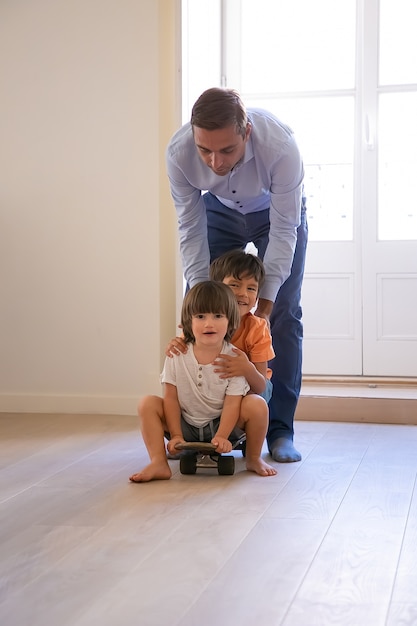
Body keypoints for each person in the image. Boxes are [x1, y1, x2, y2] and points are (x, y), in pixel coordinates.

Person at [166, 87, 308, 462]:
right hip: (218, 212)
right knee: (202, 315)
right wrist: (199, 299)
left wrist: (265, 302)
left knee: (282, 313)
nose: (214, 161)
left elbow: (284, 228)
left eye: (227, 150)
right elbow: (189, 227)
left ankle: (279, 431)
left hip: (274, 216)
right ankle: (202, 430)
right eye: (205, 150)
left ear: (246, 133)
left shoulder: (280, 147)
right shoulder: (178, 154)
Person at [129, 281, 277, 482]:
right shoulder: (177, 354)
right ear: (188, 322)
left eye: (218, 316)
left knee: (257, 405)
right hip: (185, 425)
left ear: (230, 321)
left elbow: (233, 402)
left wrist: (223, 435)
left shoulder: (233, 357)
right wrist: (176, 435)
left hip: (221, 425)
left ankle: (253, 458)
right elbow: (171, 398)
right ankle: (158, 463)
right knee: (148, 403)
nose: (209, 323)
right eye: (200, 316)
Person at [167, 249, 274, 403]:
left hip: (251, 385)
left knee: (253, 401)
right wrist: (176, 344)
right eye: (235, 285)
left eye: (251, 288)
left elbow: (261, 385)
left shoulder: (257, 328)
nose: (243, 293)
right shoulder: (201, 322)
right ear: (216, 289)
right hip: (215, 384)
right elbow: (182, 351)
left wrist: (247, 368)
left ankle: (235, 426)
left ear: (257, 296)